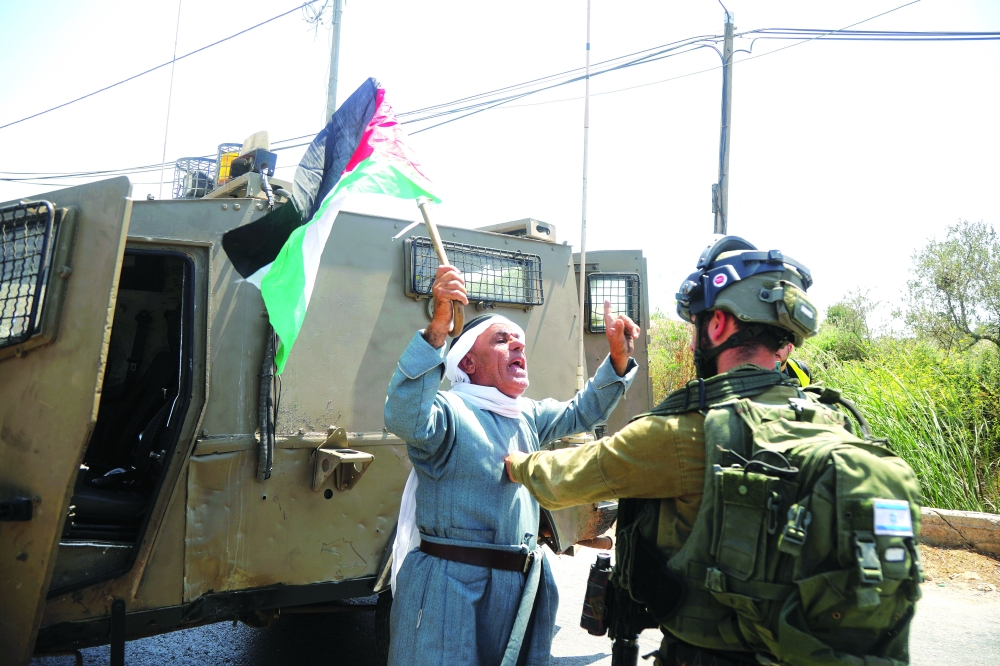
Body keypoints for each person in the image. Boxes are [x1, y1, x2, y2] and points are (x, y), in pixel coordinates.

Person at [505, 237, 825, 666]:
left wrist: (515, 462)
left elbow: (563, 478)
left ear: (716, 327)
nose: (694, 344)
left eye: (696, 327)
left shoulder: (682, 432)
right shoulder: (828, 420)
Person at [384, 263, 640, 666]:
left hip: (520, 590)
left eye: (520, 342)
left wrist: (617, 359)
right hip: (450, 590)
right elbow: (404, 418)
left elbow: (584, 411)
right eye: (502, 341)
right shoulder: (449, 412)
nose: (518, 347)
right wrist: (437, 331)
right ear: (466, 363)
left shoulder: (526, 415)